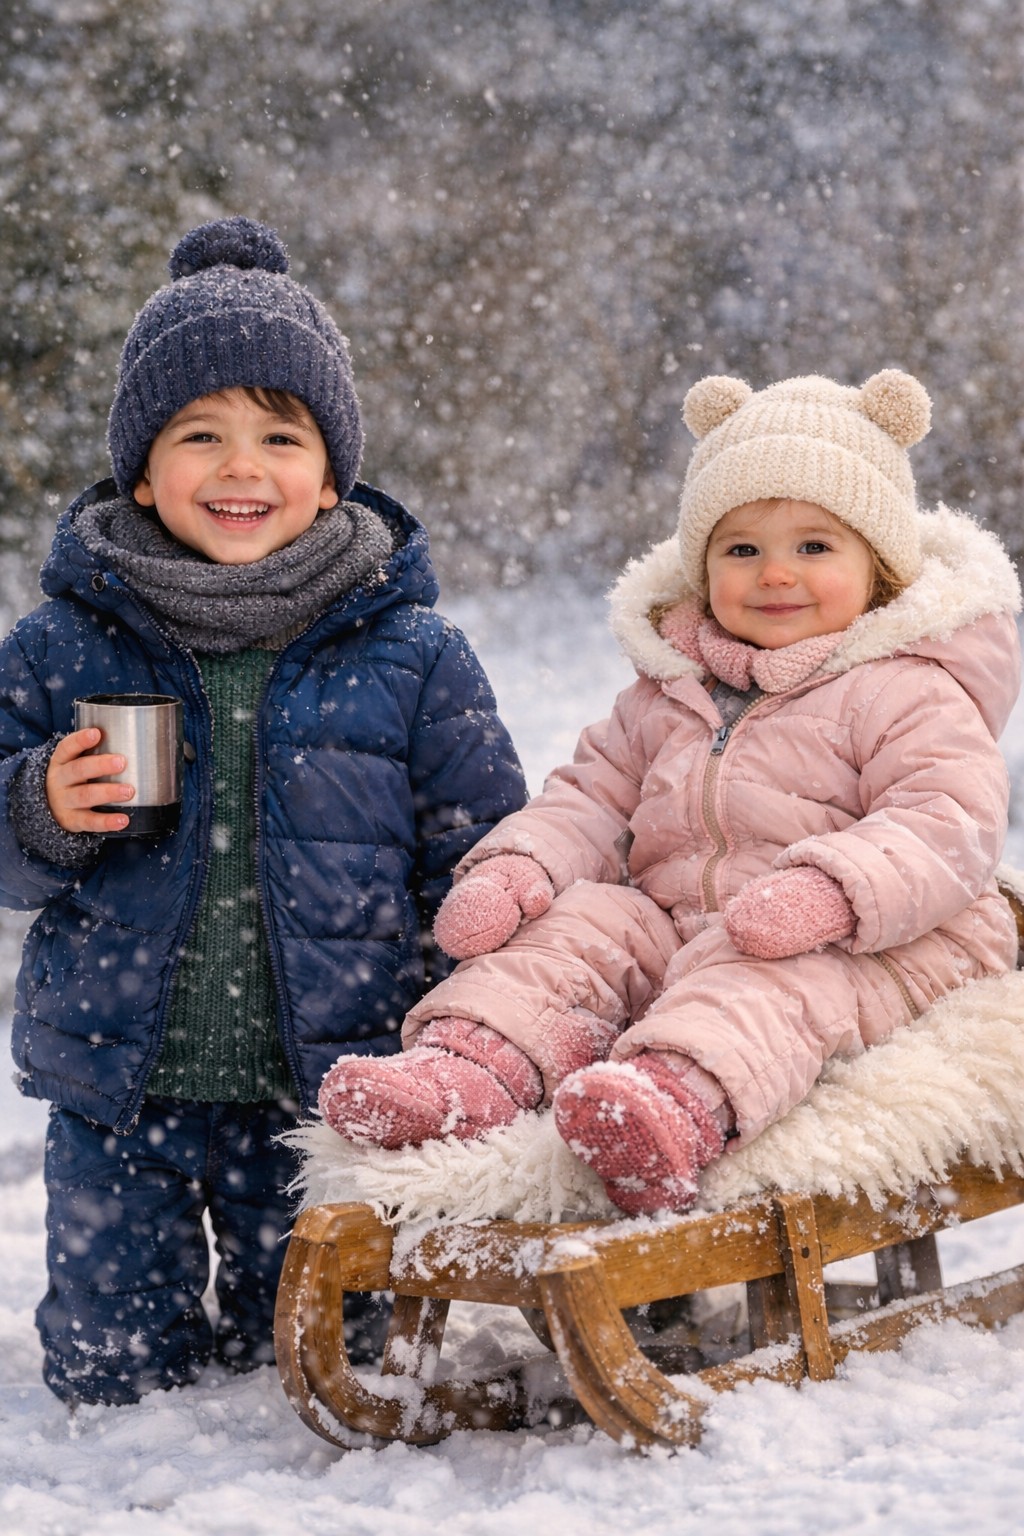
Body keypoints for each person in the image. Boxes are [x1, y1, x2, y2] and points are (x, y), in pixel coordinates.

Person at [0, 216, 526, 1404]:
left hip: (330, 1086)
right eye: (201, 435)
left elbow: (488, 858)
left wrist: (475, 1021)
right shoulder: (61, 644)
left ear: (331, 471)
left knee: (318, 1356)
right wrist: (39, 803)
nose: (242, 468)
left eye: (278, 436)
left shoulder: (413, 656)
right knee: (107, 1367)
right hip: (121, 1078)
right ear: (143, 471)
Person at [319, 369, 1021, 1218]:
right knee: (581, 926)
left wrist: (831, 890)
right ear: (701, 568)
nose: (775, 574)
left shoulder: (907, 687)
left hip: (882, 937)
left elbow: (948, 821)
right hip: (684, 919)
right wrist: (518, 869)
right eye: (741, 549)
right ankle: (474, 1064)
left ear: (877, 570)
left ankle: (673, 1102)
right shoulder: (670, 691)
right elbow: (592, 796)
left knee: (766, 973)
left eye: (814, 546)